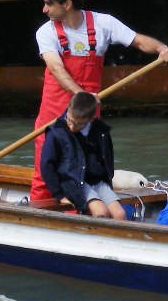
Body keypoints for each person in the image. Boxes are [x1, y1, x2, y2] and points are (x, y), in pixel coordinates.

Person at [30, 0, 168, 203]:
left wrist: (162, 49)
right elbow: (57, 69)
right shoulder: (45, 32)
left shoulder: (103, 23)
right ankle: (38, 213)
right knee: (44, 172)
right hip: (54, 115)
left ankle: (83, 212)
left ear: (67, 4)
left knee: (87, 169)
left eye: (49, 4)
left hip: (88, 116)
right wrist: (81, 94)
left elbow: (138, 41)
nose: (44, 9)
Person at [39, 91, 127, 219]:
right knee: (101, 211)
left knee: (119, 214)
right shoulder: (56, 133)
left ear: (91, 119)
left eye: (78, 124)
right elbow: (46, 166)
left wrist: (108, 179)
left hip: (98, 181)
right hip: (73, 182)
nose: (72, 127)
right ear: (68, 109)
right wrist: (59, 195)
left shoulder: (101, 131)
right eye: (69, 120)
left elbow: (108, 158)